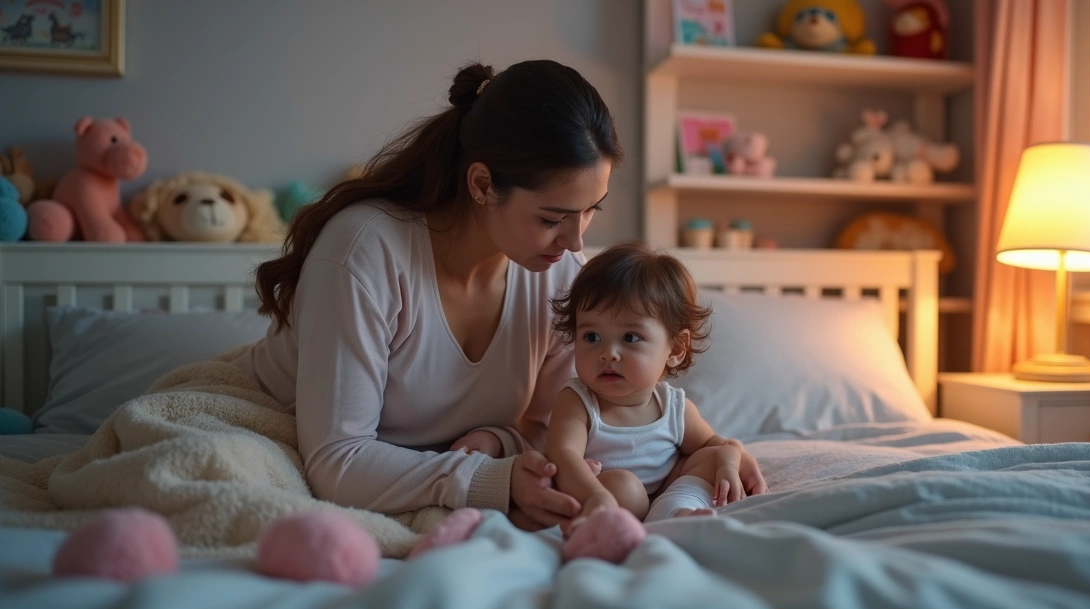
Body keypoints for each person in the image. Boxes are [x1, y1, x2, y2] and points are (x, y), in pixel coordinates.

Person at [240, 59, 622, 532]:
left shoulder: (560, 275)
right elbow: (336, 459)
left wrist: (502, 443)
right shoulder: (364, 250)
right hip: (275, 423)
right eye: (551, 218)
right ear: (482, 184)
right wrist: (492, 478)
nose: (576, 241)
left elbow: (556, 429)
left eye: (591, 211)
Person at [545, 241, 767, 530]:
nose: (608, 353)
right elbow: (564, 455)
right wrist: (596, 495)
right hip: (605, 497)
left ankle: (676, 514)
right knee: (625, 487)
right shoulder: (578, 402)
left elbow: (714, 445)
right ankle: (654, 520)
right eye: (591, 337)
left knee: (715, 459)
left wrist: (732, 457)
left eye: (630, 338)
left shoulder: (673, 407)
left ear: (675, 349)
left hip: (664, 494)